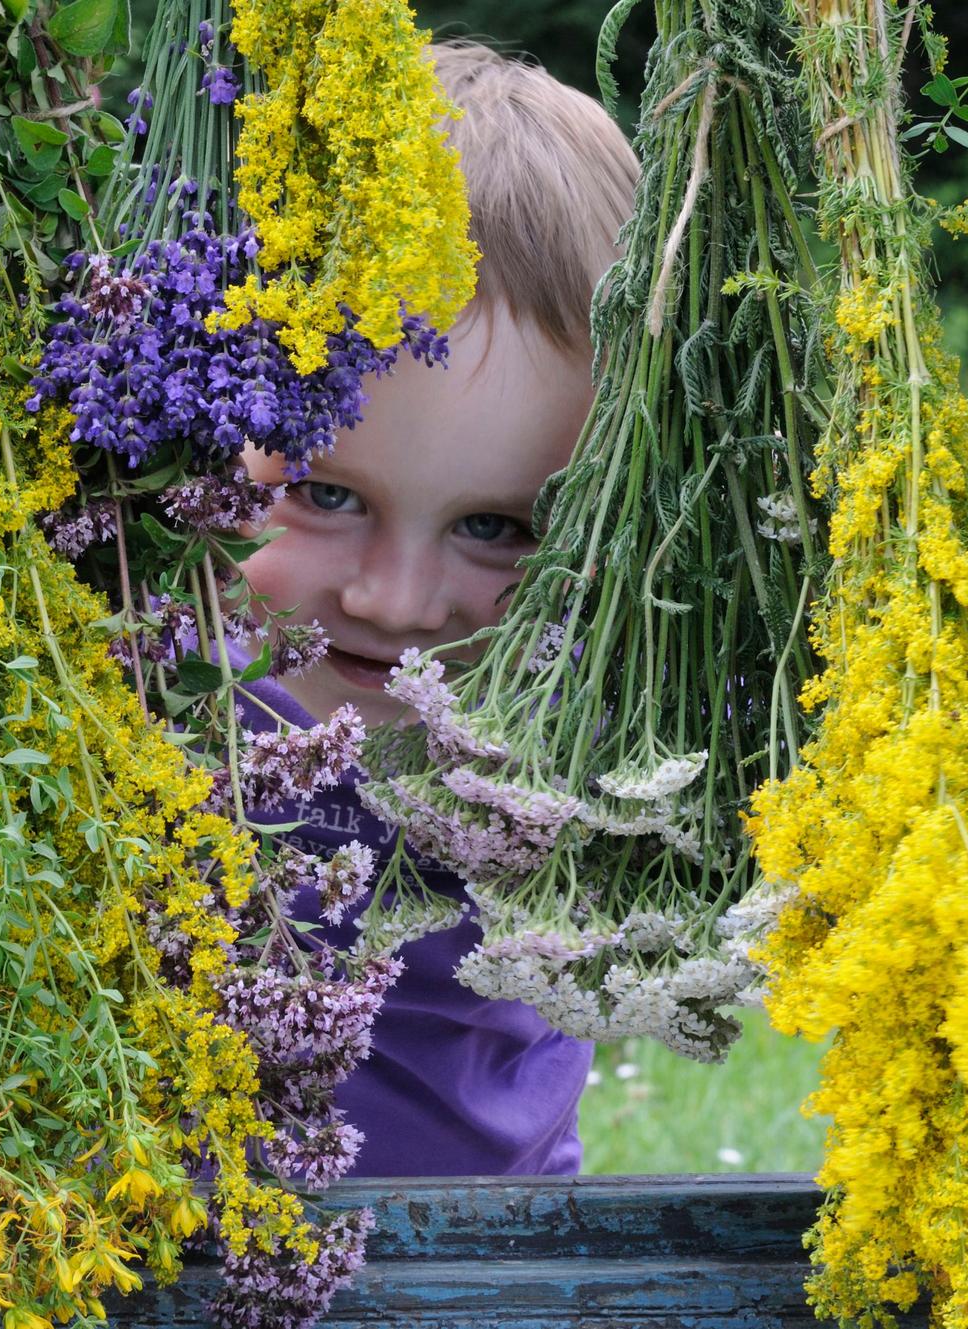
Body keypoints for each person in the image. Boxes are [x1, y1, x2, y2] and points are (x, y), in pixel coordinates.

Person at [232, 40, 639, 1177]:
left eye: (496, 527)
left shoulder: (610, 741)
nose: (393, 603)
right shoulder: (145, 715)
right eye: (322, 494)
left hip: (500, 1275)